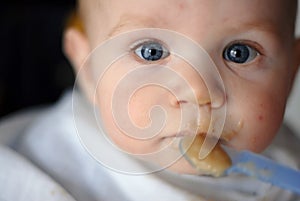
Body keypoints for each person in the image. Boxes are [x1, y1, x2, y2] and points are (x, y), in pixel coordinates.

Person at [1, 0, 300, 200]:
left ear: (290, 73)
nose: (198, 91)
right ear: (89, 70)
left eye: (239, 53)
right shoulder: (39, 171)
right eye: (151, 52)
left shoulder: (287, 166)